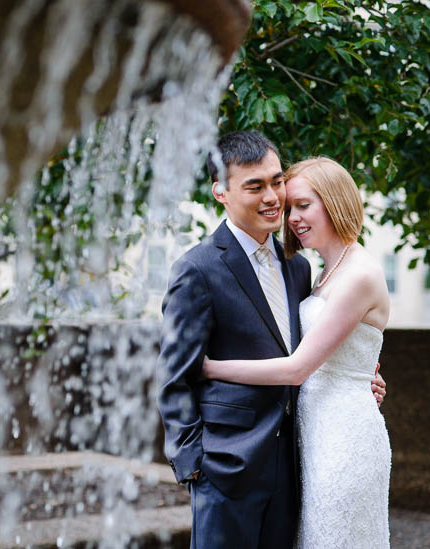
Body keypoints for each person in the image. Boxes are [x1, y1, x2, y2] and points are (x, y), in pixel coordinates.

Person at [155, 131, 386, 549]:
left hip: (298, 464)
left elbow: (319, 348)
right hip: (226, 468)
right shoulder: (197, 269)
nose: (272, 197)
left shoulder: (298, 267)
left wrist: (360, 377)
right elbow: (173, 377)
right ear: (220, 193)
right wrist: (193, 465)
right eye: (255, 186)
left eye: (277, 181)